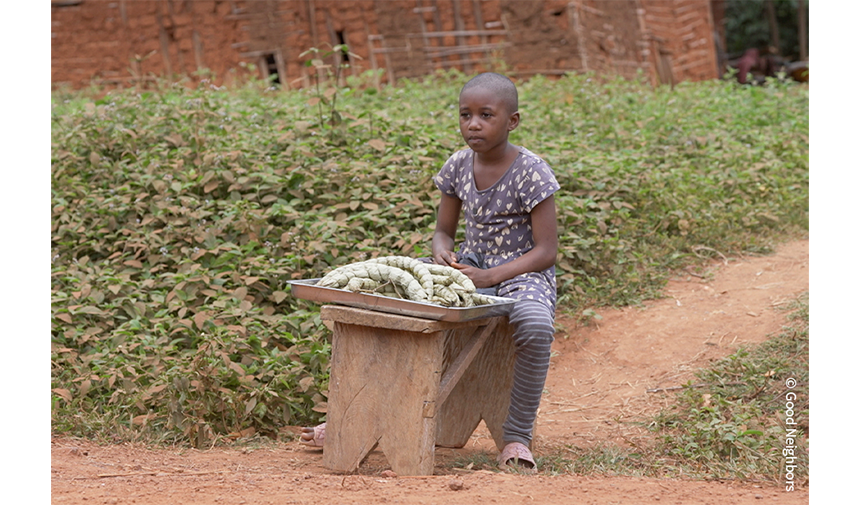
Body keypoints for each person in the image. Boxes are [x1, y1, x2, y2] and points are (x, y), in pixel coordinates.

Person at [302, 72, 560, 473]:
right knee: (390, 294)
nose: (473, 124)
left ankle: (516, 437)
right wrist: (442, 254)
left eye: (486, 115)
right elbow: (443, 231)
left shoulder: (532, 172)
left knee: (536, 324)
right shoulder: (458, 165)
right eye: (465, 115)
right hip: (467, 267)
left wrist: (491, 278)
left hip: (521, 274)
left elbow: (546, 251)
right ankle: (351, 420)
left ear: (512, 121)